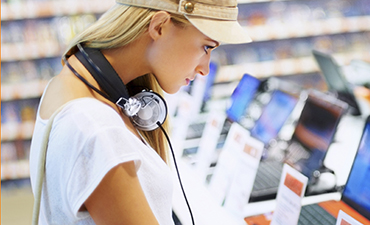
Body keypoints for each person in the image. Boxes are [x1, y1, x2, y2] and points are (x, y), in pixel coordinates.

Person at [29, 0, 251, 224]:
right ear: (159, 26)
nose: (205, 69)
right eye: (206, 47)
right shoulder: (97, 129)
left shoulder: (72, 85)